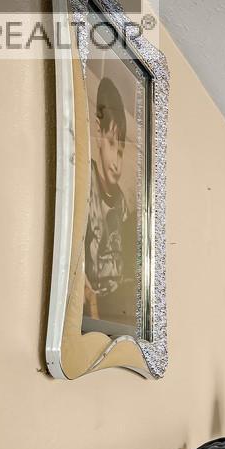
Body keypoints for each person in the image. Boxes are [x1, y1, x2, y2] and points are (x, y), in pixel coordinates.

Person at [83, 76, 135, 327]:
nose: (116, 162)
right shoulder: (85, 183)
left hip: (114, 310)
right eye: (113, 144)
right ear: (98, 131)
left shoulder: (122, 203)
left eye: (121, 151)